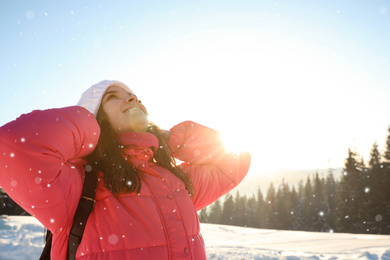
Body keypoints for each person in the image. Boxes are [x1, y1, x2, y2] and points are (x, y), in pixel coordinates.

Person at [0, 80, 251, 259]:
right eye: (112, 97)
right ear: (95, 116)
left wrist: (169, 139)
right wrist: (92, 125)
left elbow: (234, 160)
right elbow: (12, 146)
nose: (133, 99)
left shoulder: (172, 180)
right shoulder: (78, 183)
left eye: (135, 98)